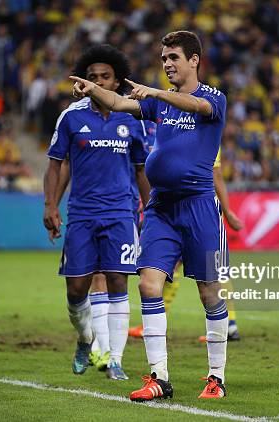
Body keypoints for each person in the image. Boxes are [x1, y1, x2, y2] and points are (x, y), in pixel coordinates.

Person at [71, 30, 229, 400]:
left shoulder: (213, 98)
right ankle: (159, 377)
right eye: (163, 59)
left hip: (202, 208)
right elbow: (119, 101)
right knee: (148, 285)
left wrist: (157, 93)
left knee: (209, 293)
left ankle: (216, 378)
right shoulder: (160, 103)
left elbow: (197, 108)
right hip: (161, 208)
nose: (167, 64)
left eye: (173, 57)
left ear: (194, 60)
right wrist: (92, 90)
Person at [44, 44, 150, 380]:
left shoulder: (132, 118)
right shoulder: (72, 116)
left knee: (119, 280)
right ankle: (86, 339)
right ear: (83, 81)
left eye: (105, 76)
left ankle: (115, 359)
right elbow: (57, 166)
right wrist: (51, 205)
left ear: (117, 81)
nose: (98, 82)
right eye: (92, 77)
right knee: (76, 289)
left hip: (121, 213)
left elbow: (141, 169)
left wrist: (153, 209)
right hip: (82, 214)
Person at [128, 147, 244, 342]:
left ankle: (228, 325)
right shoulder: (191, 131)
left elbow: (216, 175)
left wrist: (228, 211)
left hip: (198, 210)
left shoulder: (205, 131)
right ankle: (229, 324)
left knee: (210, 271)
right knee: (206, 268)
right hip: (191, 209)